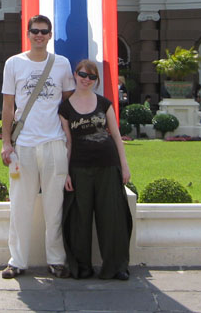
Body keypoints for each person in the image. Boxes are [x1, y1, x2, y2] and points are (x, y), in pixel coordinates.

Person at [0, 14, 74, 280]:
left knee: (54, 207)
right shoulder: (14, 64)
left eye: (44, 31)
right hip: (24, 145)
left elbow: (68, 106)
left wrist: (70, 142)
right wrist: (6, 142)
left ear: (50, 35)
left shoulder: (62, 65)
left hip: (54, 143)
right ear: (28, 34)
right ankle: (17, 260)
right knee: (20, 205)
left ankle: (56, 260)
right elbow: (8, 107)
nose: (39, 35)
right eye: (35, 31)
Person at [58, 59, 132, 280]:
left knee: (111, 217)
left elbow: (116, 136)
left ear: (96, 80)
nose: (86, 80)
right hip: (80, 167)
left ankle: (116, 266)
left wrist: (124, 165)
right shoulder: (65, 107)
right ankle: (82, 266)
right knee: (80, 219)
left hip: (107, 165)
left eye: (91, 77)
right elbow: (68, 143)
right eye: (82, 75)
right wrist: (66, 172)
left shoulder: (104, 103)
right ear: (75, 75)